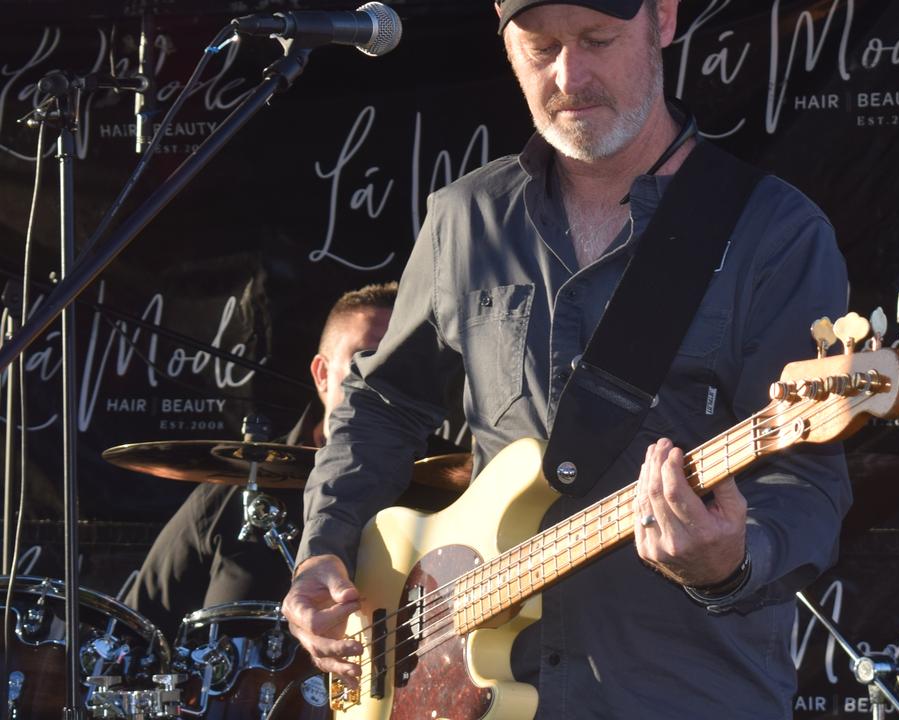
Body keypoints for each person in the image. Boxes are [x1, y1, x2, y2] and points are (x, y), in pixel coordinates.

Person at [284, 1, 851, 718]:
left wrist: (731, 560)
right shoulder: (466, 217)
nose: (569, 74)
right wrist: (324, 549)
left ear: (664, 20)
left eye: (596, 39)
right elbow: (382, 403)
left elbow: (807, 479)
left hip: (679, 691)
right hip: (471, 691)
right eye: (540, 46)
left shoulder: (773, 231)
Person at [126, 282, 405, 636]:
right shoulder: (237, 485)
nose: (380, 379)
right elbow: (138, 628)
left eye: (399, 364)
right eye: (363, 360)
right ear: (322, 374)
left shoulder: (451, 485)